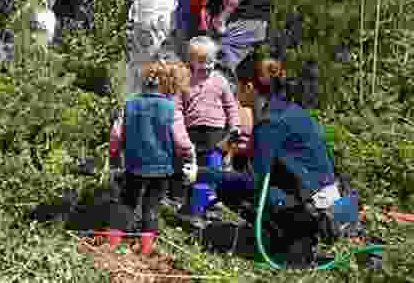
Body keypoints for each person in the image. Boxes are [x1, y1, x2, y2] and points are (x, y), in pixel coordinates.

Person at [210, 56, 341, 268]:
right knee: (240, 169)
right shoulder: (286, 109)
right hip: (322, 192)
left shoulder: (270, 122)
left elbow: (253, 181)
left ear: (250, 87)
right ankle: (289, 234)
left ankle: (295, 239)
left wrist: (203, 174)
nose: (234, 93)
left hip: (315, 205)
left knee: (228, 187)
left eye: (237, 86)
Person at [109, 60, 197, 254]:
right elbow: (181, 141)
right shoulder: (170, 109)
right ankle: (146, 250)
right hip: (161, 168)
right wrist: (190, 157)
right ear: (169, 84)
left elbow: (116, 134)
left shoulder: (129, 104)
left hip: (133, 165)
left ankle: (112, 245)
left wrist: (114, 157)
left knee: (126, 202)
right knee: (152, 206)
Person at [174, 36, 240, 226]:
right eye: (202, 62)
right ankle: (189, 209)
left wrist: (234, 127)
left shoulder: (219, 81)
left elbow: (231, 106)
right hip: (192, 134)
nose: (208, 66)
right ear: (191, 61)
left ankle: (207, 207)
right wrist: (179, 133)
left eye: (211, 61)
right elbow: (177, 108)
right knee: (190, 173)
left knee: (212, 172)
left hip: (216, 134)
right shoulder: (185, 81)